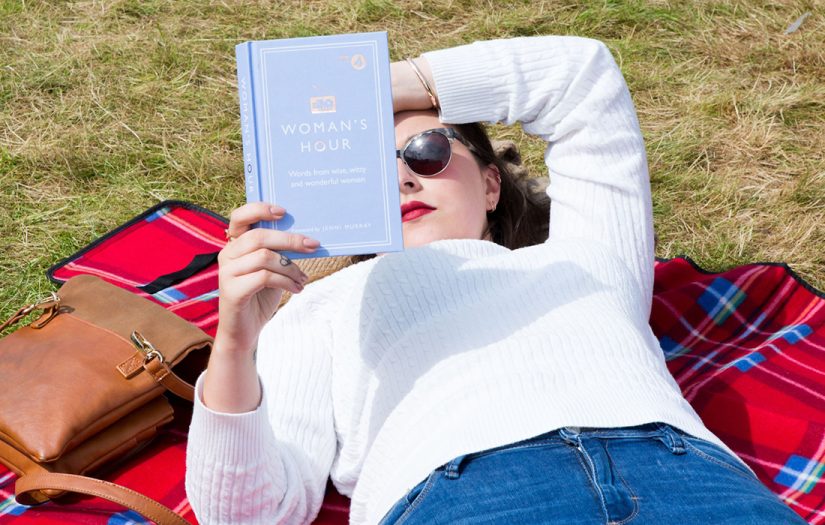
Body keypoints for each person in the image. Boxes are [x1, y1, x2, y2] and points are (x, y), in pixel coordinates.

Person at [185, 36, 806, 524]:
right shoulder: (315, 308)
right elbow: (253, 512)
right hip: (465, 492)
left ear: (490, 183)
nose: (403, 179)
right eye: (365, 173)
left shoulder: (583, 257)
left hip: (687, 480)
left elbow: (579, 77)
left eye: (426, 151)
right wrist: (236, 343)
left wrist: (353, 90)